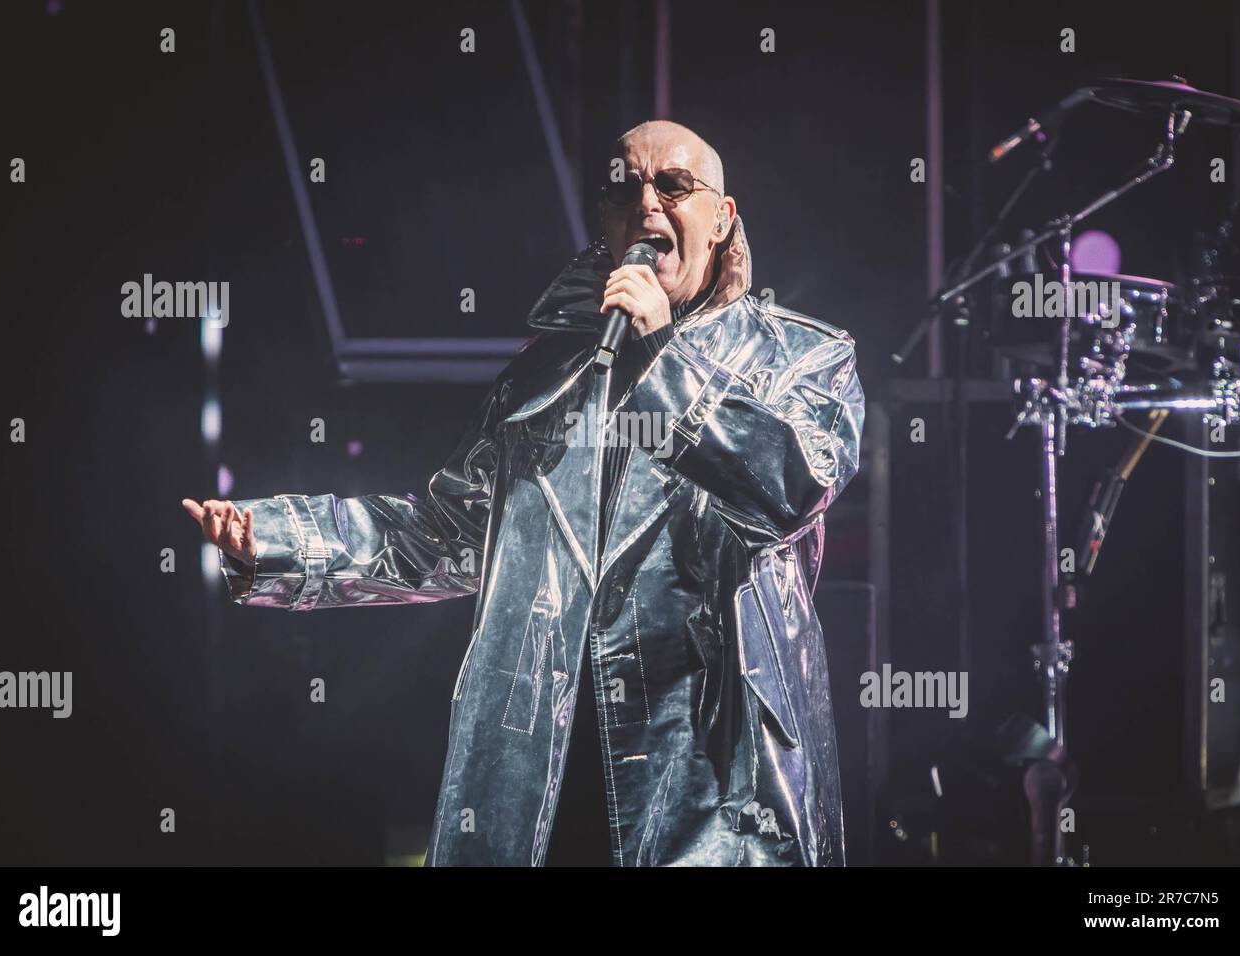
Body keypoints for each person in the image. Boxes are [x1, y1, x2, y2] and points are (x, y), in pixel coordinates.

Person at [184, 120, 865, 866]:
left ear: (723, 216)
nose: (646, 203)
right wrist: (280, 538)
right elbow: (448, 534)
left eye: (672, 185)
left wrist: (664, 356)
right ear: (603, 221)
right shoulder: (548, 376)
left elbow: (788, 488)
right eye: (621, 188)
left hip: (717, 784)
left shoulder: (804, 356)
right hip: (551, 774)